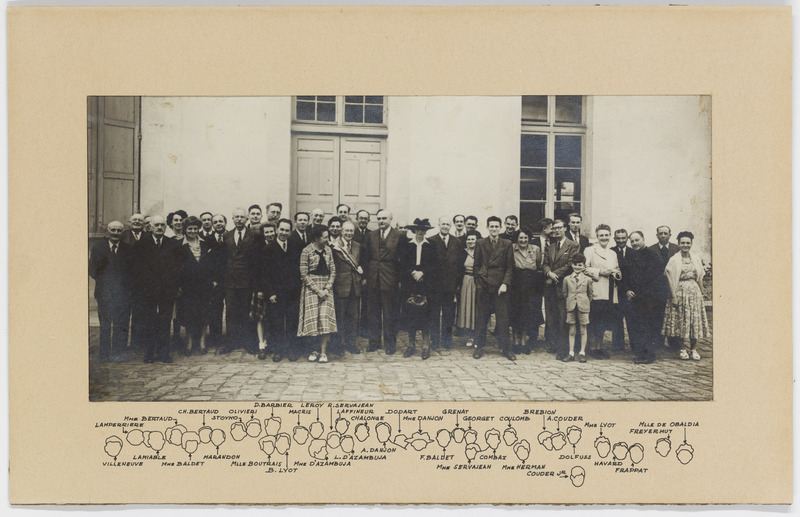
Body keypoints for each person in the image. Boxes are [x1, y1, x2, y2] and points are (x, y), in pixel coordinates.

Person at [130, 215, 184, 363]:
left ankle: (164, 353)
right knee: (148, 322)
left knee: (165, 322)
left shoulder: (172, 245)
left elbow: (179, 267)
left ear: (166, 227)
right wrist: (141, 287)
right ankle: (148, 354)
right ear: (150, 227)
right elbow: (135, 269)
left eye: (162, 225)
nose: (159, 227)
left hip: (167, 291)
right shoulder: (141, 245)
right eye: (156, 225)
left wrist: (175, 285)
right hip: (147, 291)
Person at [620, 231, 668, 364]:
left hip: (648, 299)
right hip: (634, 298)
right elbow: (626, 275)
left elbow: (655, 280)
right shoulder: (630, 256)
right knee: (636, 327)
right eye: (632, 241)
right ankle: (639, 353)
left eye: (637, 240)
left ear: (643, 239)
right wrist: (628, 290)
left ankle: (648, 355)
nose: (634, 243)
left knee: (647, 327)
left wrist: (641, 294)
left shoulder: (652, 256)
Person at [662, 231, 710, 360]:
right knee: (681, 321)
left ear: (691, 244)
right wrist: (674, 296)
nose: (685, 245)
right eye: (682, 243)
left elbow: (699, 277)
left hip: (694, 293)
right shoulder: (674, 260)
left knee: (694, 320)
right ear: (678, 244)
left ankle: (694, 349)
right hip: (680, 291)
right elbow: (670, 279)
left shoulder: (695, 258)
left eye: (688, 243)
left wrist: (702, 291)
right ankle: (682, 348)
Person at [473, 216, 515, 361]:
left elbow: (510, 267)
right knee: (481, 318)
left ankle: (505, 348)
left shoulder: (507, 243)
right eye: (491, 226)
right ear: (487, 227)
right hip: (484, 286)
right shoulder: (480, 243)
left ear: (500, 227)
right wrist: (479, 282)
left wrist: (504, 284)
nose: (494, 229)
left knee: (503, 318)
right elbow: (476, 266)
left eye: (497, 226)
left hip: (500, 287)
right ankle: (478, 347)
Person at [89, 221, 131, 363]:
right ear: (108, 231)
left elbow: (131, 272)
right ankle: (104, 354)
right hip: (104, 292)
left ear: (122, 232)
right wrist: (106, 281)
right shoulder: (98, 248)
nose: (116, 233)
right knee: (105, 324)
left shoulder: (127, 249)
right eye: (113, 230)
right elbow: (92, 270)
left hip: (122, 293)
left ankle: (118, 353)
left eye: (119, 230)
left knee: (120, 324)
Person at [363, 209, 403, 354]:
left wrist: (398, 280)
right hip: (373, 278)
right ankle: (373, 342)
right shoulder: (371, 235)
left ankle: (390, 344)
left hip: (390, 278)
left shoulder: (398, 235)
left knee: (389, 312)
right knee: (373, 312)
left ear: (390, 219)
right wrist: (366, 277)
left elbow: (402, 260)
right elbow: (365, 258)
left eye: (384, 218)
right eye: (379, 218)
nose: (381, 221)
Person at [219, 208, 259, 355]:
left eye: (242, 217)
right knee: (230, 312)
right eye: (236, 217)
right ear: (232, 218)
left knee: (246, 312)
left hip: (247, 280)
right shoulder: (226, 236)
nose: (239, 219)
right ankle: (231, 342)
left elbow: (256, 259)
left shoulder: (254, 235)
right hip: (230, 281)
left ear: (247, 218)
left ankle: (248, 343)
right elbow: (222, 259)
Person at [264, 218, 303, 362]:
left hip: (293, 291)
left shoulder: (296, 245)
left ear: (290, 231)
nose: (284, 233)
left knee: (293, 321)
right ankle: (278, 350)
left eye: (287, 230)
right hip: (277, 292)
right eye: (282, 230)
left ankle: (292, 350)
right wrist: (270, 292)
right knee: (277, 323)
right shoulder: (268, 248)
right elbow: (265, 274)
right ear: (276, 230)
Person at [298, 225, 338, 364]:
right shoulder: (306, 251)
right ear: (316, 237)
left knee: (324, 318)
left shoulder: (328, 250)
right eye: (325, 237)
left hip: (326, 288)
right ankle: (314, 350)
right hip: (311, 288)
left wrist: (326, 288)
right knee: (313, 319)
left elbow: (333, 271)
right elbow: (304, 274)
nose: (327, 239)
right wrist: (317, 290)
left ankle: (323, 352)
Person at [179, 216, 218, 356]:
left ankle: (202, 342)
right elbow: (177, 267)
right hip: (188, 286)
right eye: (190, 228)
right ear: (185, 230)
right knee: (189, 314)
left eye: (195, 228)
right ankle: (189, 342)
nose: (193, 231)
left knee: (204, 313)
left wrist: (214, 280)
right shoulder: (180, 245)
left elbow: (213, 263)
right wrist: (179, 285)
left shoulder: (206, 243)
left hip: (204, 285)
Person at [584, 224, 622, 359]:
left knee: (604, 320)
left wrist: (616, 273)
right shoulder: (590, 250)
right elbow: (584, 268)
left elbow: (616, 268)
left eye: (606, 235)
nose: (604, 238)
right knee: (595, 319)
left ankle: (600, 346)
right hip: (597, 288)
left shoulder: (613, 253)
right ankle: (592, 346)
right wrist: (600, 272)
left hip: (611, 290)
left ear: (610, 235)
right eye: (601, 235)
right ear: (597, 236)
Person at [543, 219, 579, 360]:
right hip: (550, 286)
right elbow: (545, 263)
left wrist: (555, 274)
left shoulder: (573, 245)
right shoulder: (550, 246)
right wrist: (548, 273)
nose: (556, 230)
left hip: (563, 286)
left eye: (559, 228)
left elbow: (571, 264)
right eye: (554, 228)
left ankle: (563, 349)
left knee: (563, 317)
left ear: (565, 229)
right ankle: (554, 344)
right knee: (551, 316)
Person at [400, 218, 436, 359]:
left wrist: (423, 272)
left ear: (426, 231)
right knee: (411, 313)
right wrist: (412, 272)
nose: (420, 232)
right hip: (410, 282)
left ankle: (426, 345)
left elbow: (435, 264)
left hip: (426, 283)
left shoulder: (431, 245)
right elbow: (402, 263)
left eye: (423, 230)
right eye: (418, 230)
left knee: (425, 314)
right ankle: (411, 345)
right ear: (414, 231)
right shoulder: (407, 245)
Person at [330, 220, 364, 355]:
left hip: (355, 287)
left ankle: (351, 344)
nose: (349, 233)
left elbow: (360, 264)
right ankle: (338, 346)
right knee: (340, 318)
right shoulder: (334, 246)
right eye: (346, 231)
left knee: (354, 318)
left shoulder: (357, 246)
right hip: (340, 286)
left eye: (351, 231)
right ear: (341, 231)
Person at [428, 215, 462, 350]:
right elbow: (428, 265)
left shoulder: (457, 242)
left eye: (447, 224)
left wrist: (457, 284)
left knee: (449, 314)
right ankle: (434, 340)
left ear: (451, 226)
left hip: (450, 285)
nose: (445, 227)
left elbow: (459, 265)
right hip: (435, 286)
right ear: (438, 224)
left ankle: (447, 341)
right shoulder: (431, 241)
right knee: (434, 314)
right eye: (443, 224)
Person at [509, 227, 544, 355]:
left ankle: (524, 342)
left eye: (525, 238)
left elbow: (539, 266)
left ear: (529, 238)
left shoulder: (535, 249)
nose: (523, 240)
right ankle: (515, 341)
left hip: (531, 286)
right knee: (515, 314)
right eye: (520, 238)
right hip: (516, 285)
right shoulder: (512, 248)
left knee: (527, 314)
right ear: (517, 239)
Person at [649, 225, 681, 350]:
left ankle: (674, 342)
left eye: (665, 233)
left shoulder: (677, 249)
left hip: (673, 285)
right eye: (660, 233)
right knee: (658, 314)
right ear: (657, 235)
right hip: (657, 288)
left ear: (670, 235)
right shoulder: (651, 250)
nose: (663, 236)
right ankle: (658, 341)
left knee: (674, 314)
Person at [562, 253, 593, 363]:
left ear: (584, 266)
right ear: (571, 265)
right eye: (575, 265)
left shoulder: (588, 280)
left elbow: (590, 295)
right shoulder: (566, 279)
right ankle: (571, 353)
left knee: (583, 330)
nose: (577, 267)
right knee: (572, 330)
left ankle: (582, 353)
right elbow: (565, 293)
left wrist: (583, 302)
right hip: (571, 307)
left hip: (583, 307)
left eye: (580, 265)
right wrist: (572, 301)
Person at [206, 214, 228, 348]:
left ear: (225, 222)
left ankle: (231, 338)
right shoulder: (206, 240)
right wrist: (212, 279)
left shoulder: (231, 237)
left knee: (231, 310)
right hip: (215, 282)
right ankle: (215, 338)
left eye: (221, 221)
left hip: (231, 280)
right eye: (215, 222)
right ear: (212, 225)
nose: (218, 224)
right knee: (215, 309)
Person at [456, 230, 480, 348]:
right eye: (468, 239)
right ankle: (470, 335)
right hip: (466, 281)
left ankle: (478, 336)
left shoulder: (481, 252)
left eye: (473, 239)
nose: (470, 241)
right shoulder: (463, 252)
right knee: (467, 308)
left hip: (478, 282)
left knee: (476, 308)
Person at [610, 229, 632, 352]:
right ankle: (618, 345)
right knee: (616, 318)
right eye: (618, 238)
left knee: (630, 318)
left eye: (623, 238)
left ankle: (634, 344)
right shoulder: (611, 252)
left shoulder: (632, 252)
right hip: (616, 290)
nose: (621, 240)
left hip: (629, 291)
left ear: (627, 238)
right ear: (614, 239)